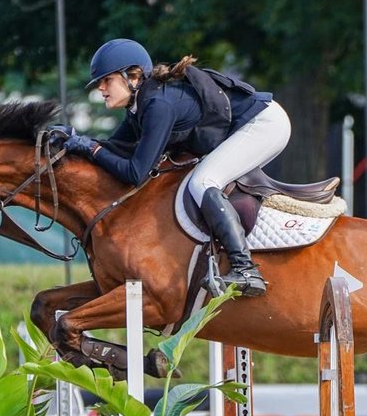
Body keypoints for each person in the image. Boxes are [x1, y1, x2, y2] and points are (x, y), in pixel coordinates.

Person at [63, 38, 290, 297]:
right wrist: (73, 141)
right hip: (249, 124)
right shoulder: (139, 106)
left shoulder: (158, 105)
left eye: (107, 81)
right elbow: (114, 148)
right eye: (99, 83)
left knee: (202, 182)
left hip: (265, 124)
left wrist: (89, 147)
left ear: (133, 76)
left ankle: (245, 269)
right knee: (202, 179)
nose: (101, 89)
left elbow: (135, 173)